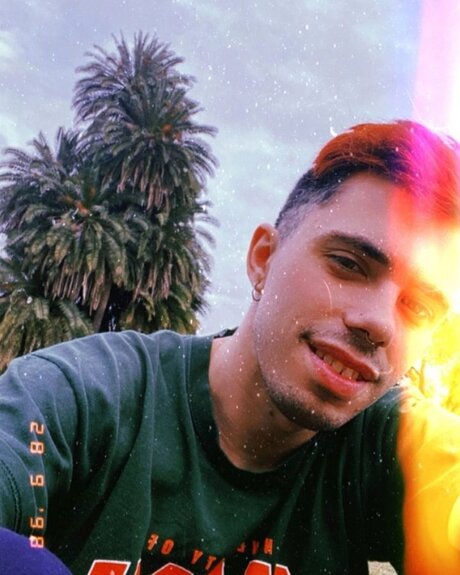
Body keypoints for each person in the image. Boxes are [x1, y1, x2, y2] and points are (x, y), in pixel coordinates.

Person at [0, 120, 459, 575]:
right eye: (348, 264)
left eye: (418, 308)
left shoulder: (388, 445)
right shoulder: (87, 398)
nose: (378, 323)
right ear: (263, 259)